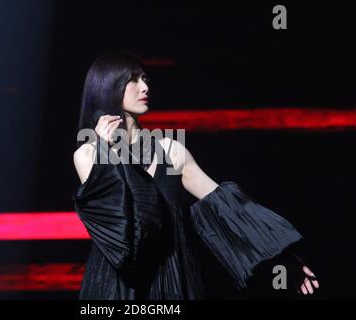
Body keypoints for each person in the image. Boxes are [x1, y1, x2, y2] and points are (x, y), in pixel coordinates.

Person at [72, 51, 319, 299]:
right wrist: (108, 151)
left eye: (145, 78)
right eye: (133, 79)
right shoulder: (89, 154)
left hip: (174, 281)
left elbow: (226, 208)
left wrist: (283, 255)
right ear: (108, 86)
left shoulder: (172, 151)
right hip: (118, 288)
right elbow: (119, 228)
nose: (145, 86)